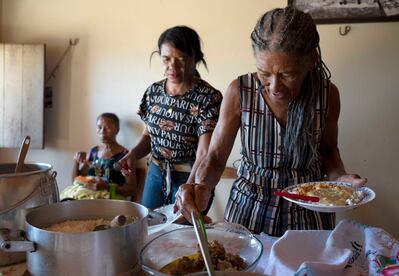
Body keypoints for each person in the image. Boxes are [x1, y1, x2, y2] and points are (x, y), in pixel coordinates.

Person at [174, 7, 368, 236]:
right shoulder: (240, 91)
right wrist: (202, 185)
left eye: (287, 74)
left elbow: (328, 151)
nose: (275, 87)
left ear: (311, 61)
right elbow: (215, 157)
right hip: (248, 211)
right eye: (264, 73)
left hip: (308, 214)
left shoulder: (326, 95)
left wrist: (340, 180)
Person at [121, 26, 222, 209]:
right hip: (156, 173)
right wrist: (133, 154)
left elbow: (204, 153)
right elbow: (147, 136)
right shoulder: (153, 92)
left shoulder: (208, 97)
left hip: (191, 175)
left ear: (195, 58)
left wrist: (190, 187)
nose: (172, 67)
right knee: (151, 227)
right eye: (166, 59)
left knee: (183, 234)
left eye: (181, 59)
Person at [70, 112, 137, 199]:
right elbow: (75, 182)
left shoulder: (125, 156)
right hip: (88, 197)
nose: (102, 131)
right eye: (99, 127)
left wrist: (107, 187)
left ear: (117, 130)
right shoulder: (93, 152)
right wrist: (76, 162)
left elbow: (132, 190)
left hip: (112, 201)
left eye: (107, 127)